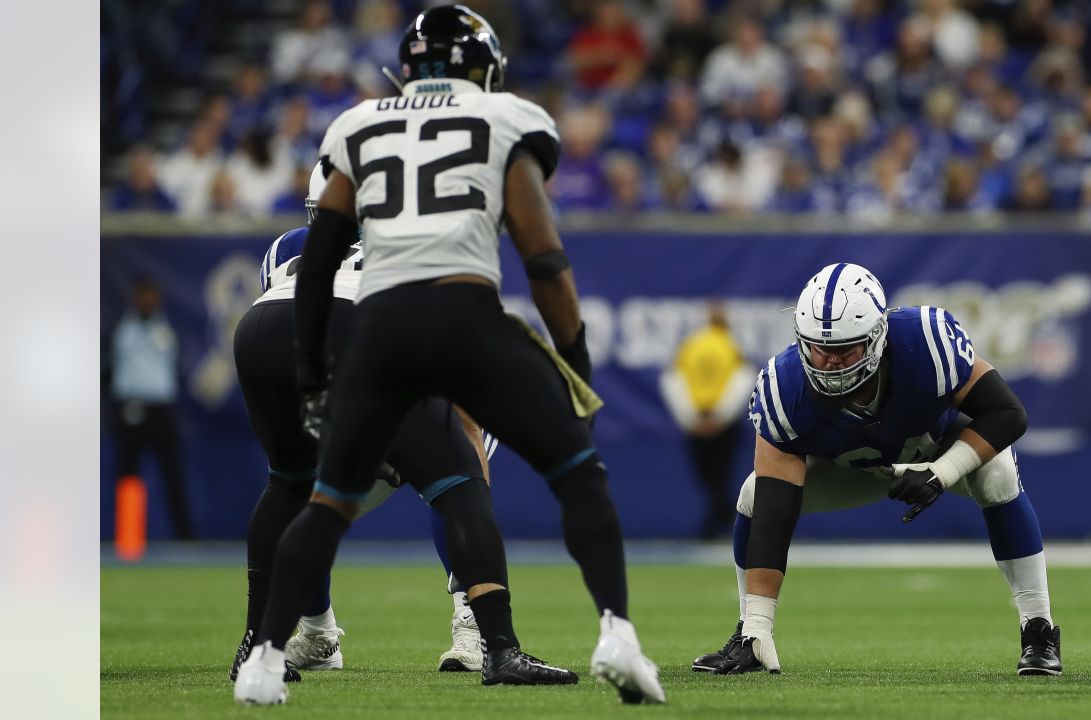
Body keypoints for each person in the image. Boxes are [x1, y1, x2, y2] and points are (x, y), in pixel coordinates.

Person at [233, 6, 664, 706]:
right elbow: (546, 259)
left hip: (373, 328)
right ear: (485, 68)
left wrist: (313, 372)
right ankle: (606, 634)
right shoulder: (508, 119)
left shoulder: (357, 125)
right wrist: (574, 366)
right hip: (459, 311)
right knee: (567, 471)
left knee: (320, 497)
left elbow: (314, 271)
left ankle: (262, 659)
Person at [690, 263, 1061, 677]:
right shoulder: (784, 386)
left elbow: (1007, 413)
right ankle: (751, 637)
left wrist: (942, 471)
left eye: (845, 349)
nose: (829, 362)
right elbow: (775, 510)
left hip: (936, 453)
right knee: (755, 495)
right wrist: (760, 623)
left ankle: (1039, 629)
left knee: (999, 475)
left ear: (877, 337)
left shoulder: (926, 342)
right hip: (849, 469)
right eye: (818, 348)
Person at [228, 164, 504, 686]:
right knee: (315, 493)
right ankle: (316, 630)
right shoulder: (294, 248)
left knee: (457, 464)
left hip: (410, 387)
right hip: (349, 390)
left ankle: (468, 618)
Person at [658, 303, 756, 539]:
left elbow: (673, 380)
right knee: (720, 477)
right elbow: (743, 380)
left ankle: (714, 528)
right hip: (722, 422)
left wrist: (690, 418)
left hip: (697, 418)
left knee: (710, 478)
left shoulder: (691, 345)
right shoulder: (730, 345)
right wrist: (720, 417)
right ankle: (730, 524)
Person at [108, 277, 194, 540]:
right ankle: (128, 538)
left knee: (173, 475)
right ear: (135, 298)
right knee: (128, 477)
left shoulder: (167, 329)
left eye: (151, 295)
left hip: (161, 409)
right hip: (131, 408)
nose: (147, 300)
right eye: (142, 295)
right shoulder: (122, 330)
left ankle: (185, 539)